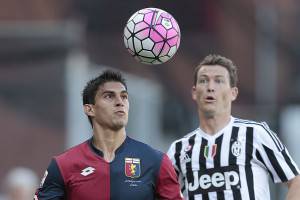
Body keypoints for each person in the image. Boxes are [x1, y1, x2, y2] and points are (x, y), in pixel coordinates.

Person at [167, 54, 300, 200]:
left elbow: (296, 182)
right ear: (194, 92)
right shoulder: (178, 150)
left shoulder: (255, 134)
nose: (210, 87)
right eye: (204, 81)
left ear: (233, 93)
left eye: (219, 81)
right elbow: (163, 193)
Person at [34, 70, 182, 200]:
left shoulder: (156, 161)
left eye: (124, 97)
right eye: (109, 96)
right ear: (89, 109)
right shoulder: (63, 165)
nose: (120, 102)